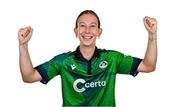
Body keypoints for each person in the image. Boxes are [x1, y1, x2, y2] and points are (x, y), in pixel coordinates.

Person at [18, 10, 157, 106]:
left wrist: (152, 37)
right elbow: (28, 77)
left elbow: (148, 66)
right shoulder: (63, 61)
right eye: (82, 26)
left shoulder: (112, 59)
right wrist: (23, 45)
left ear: (99, 31)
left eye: (92, 26)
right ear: (76, 31)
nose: (87, 31)